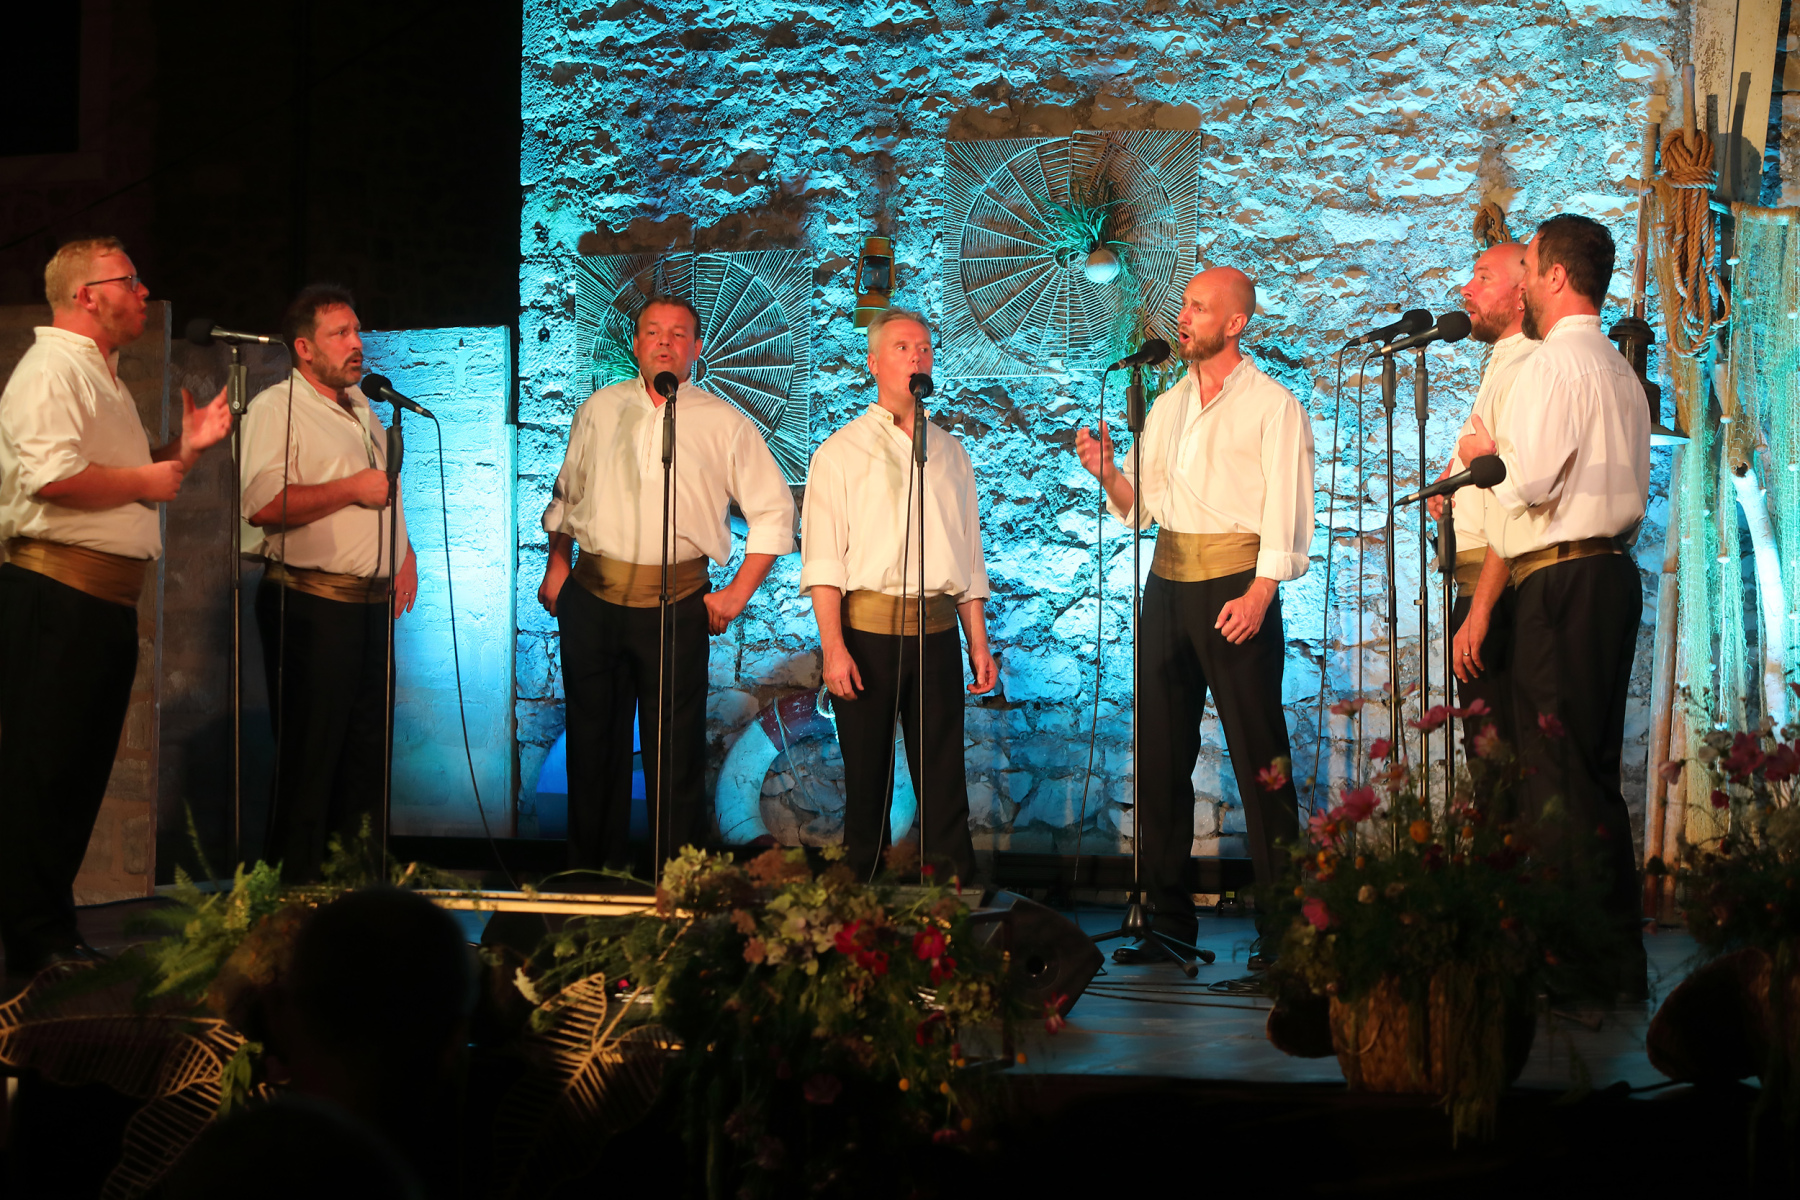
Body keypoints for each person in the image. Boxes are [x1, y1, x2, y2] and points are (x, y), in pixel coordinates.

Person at [0, 236, 230, 981]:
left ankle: (51, 934)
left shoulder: (103, 375)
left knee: (75, 777)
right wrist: (145, 478)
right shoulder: (50, 370)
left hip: (99, 603)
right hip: (55, 596)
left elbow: (129, 476)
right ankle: (32, 942)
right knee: (44, 774)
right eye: (128, 280)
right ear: (86, 295)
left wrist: (184, 450)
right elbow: (52, 479)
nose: (142, 291)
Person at [1075, 267, 1314, 964]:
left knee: (1260, 760)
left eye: (1199, 307)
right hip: (1169, 584)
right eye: (1184, 305)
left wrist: (1261, 593)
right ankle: (1167, 922)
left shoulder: (1273, 405)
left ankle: (1285, 931)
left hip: (1236, 586)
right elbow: (1143, 508)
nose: (1183, 317)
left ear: (1235, 323)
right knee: (1160, 759)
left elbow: (1288, 511)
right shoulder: (1169, 403)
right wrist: (1108, 473)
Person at [1456, 213, 1652, 997]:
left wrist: (1480, 458)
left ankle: (1572, 963)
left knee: (1553, 772)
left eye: (1533, 268)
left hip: (1561, 580)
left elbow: (1527, 482)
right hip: (1611, 575)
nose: (1528, 283)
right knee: (1592, 771)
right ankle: (1613, 959)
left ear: (1558, 277)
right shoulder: (1618, 370)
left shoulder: (1550, 366)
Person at [539, 296, 795, 871]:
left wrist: (736, 594)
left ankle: (675, 886)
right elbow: (567, 495)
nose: (664, 342)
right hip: (594, 599)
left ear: (695, 349)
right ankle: (592, 883)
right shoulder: (599, 409)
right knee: (592, 748)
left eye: (678, 334)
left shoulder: (724, 422)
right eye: (652, 332)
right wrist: (557, 564)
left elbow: (775, 513)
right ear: (635, 344)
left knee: (674, 755)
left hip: (675, 605)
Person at [800, 309, 998, 884]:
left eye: (925, 347)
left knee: (944, 778)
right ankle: (860, 900)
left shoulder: (951, 453)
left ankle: (952, 899)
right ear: (873, 362)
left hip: (936, 633)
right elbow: (823, 564)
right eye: (903, 347)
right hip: (867, 635)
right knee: (868, 781)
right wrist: (834, 649)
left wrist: (977, 644)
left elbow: (968, 559)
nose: (917, 356)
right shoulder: (840, 452)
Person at [240, 285, 418, 884]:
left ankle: (358, 892)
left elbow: (385, 491)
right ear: (304, 348)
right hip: (310, 604)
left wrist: (404, 552)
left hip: (368, 606)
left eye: (357, 330)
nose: (356, 343)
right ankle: (295, 895)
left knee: (367, 754)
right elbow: (263, 504)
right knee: (312, 757)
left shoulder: (363, 407)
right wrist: (350, 489)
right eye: (340, 333)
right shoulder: (276, 407)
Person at [1428, 242, 1538, 754]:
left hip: (1498, 589)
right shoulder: (1504, 361)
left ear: (1522, 296)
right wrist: (1452, 486)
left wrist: (1481, 609)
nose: (1465, 289)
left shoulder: (1529, 366)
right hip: (1478, 584)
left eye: (1483, 278)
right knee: (1488, 756)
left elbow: (1516, 502)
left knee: (1499, 759)